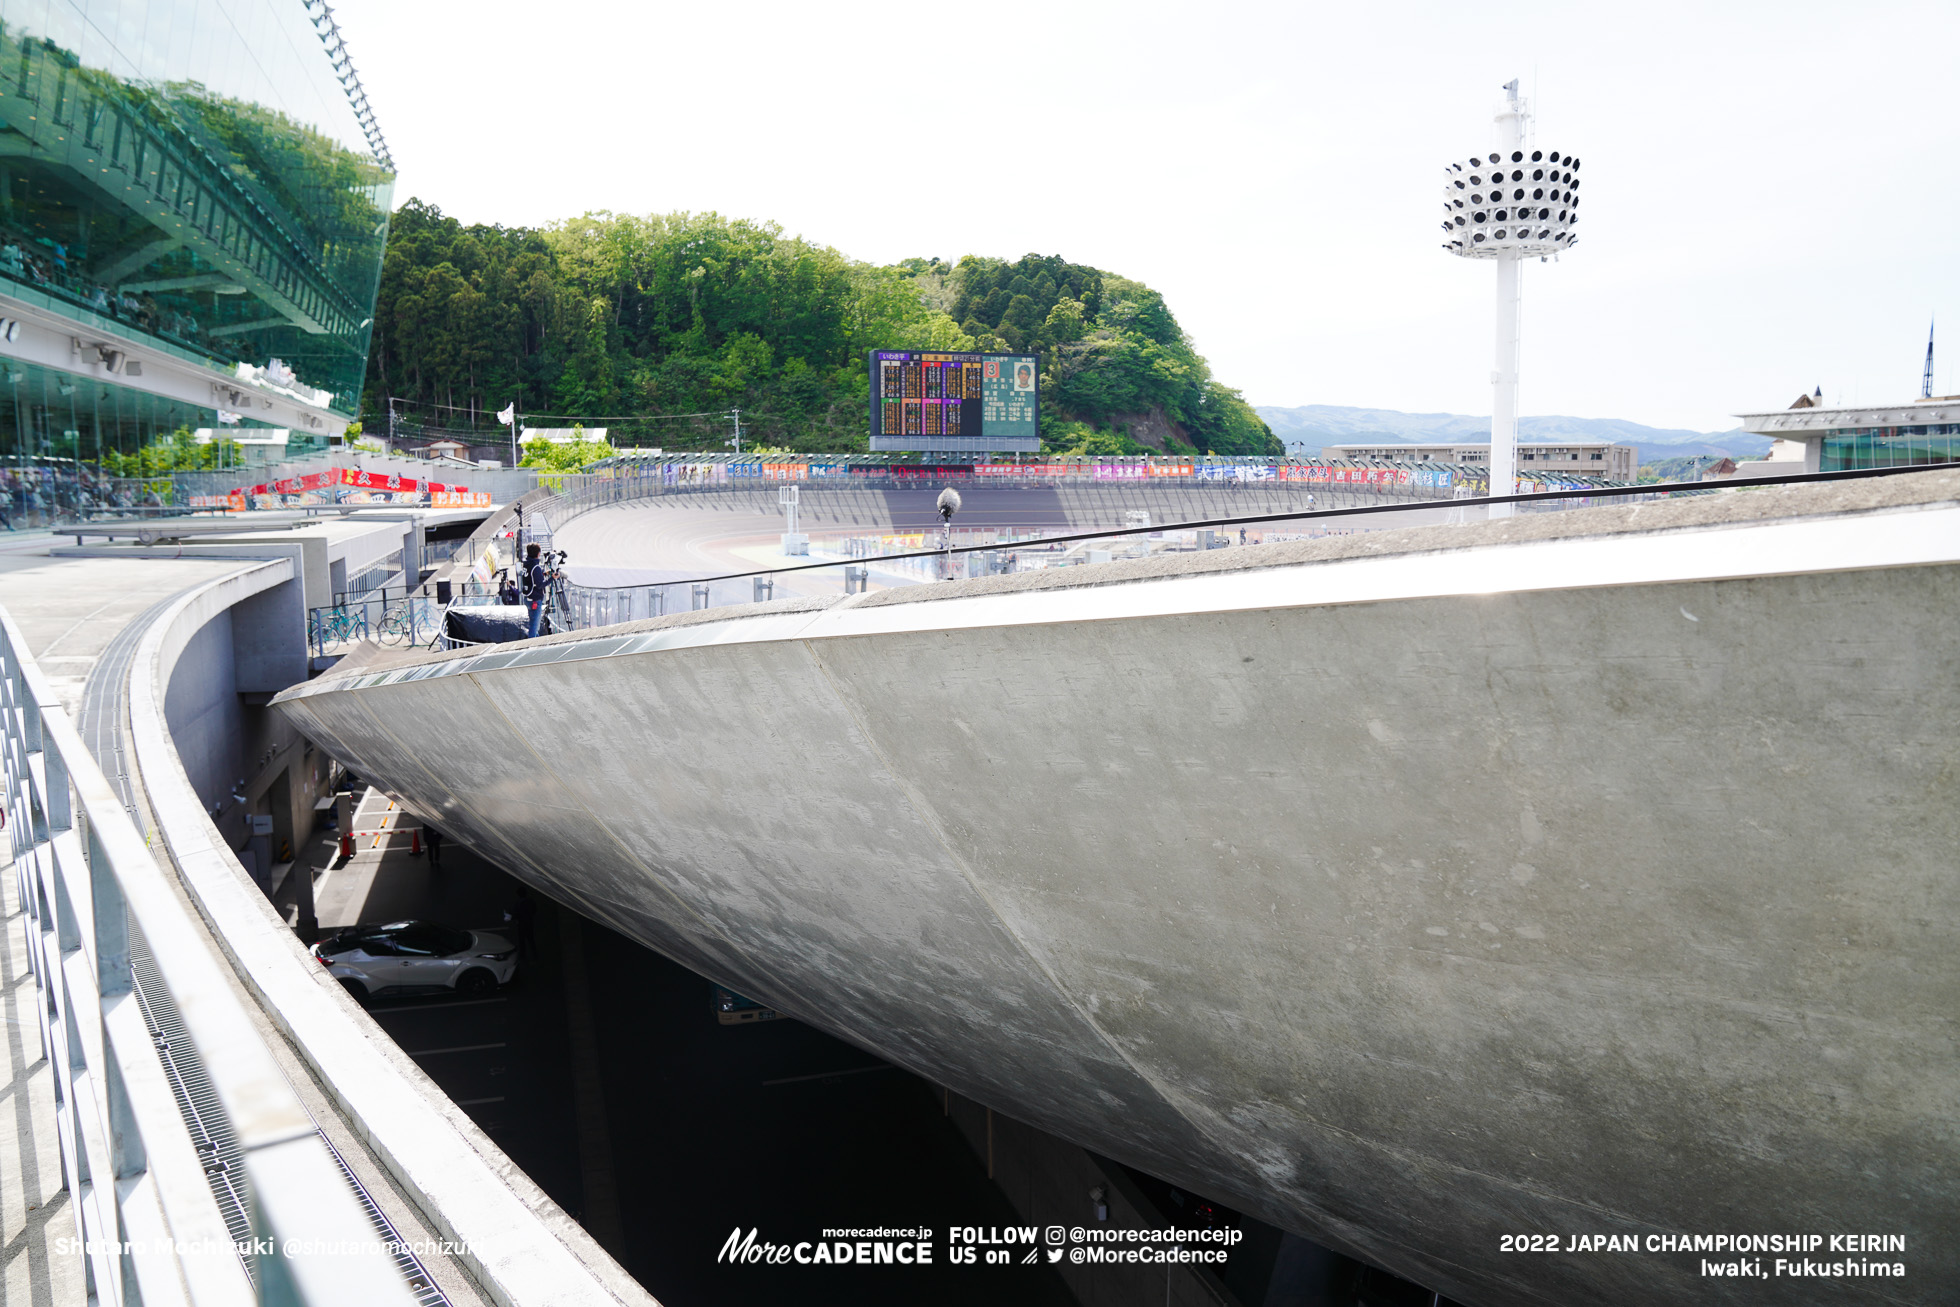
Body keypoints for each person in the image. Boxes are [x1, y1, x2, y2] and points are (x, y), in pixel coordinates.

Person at [522, 543, 548, 638]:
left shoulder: (526, 564)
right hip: (535, 600)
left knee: (533, 623)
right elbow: (540, 584)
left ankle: (535, 641)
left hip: (528, 598)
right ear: (538, 554)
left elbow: (532, 578)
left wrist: (543, 574)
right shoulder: (535, 567)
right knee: (534, 627)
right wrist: (552, 578)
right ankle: (531, 645)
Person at [506, 885, 537, 956]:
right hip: (529, 922)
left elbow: (515, 914)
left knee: (522, 941)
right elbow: (534, 910)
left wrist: (510, 916)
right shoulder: (530, 901)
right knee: (531, 940)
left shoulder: (518, 903)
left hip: (521, 924)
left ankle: (523, 956)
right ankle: (534, 955)